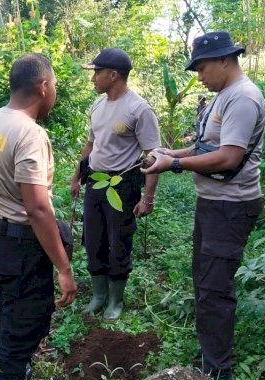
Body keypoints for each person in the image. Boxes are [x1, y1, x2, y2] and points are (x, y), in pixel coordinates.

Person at [143, 31, 265, 380]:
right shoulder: (224, 95)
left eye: (203, 67)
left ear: (226, 60)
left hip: (230, 207)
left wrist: (174, 165)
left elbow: (228, 157)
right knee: (205, 279)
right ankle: (211, 352)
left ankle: (217, 372)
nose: (199, 75)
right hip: (214, 204)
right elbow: (206, 147)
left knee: (214, 287)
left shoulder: (242, 99)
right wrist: (169, 153)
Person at [0, 54, 77, 380]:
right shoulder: (29, 133)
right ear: (43, 87)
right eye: (55, 88)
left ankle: (12, 370)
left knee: (10, 310)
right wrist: (63, 268)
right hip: (20, 246)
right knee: (24, 326)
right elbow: (37, 209)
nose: (55, 95)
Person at [70, 48, 161, 322]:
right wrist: (77, 177)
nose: (93, 79)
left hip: (123, 185)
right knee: (93, 239)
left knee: (118, 241)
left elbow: (153, 156)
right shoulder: (97, 106)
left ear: (113, 75)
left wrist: (148, 197)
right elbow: (90, 144)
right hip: (95, 183)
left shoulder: (139, 109)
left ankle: (115, 299)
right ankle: (98, 296)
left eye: (97, 72)